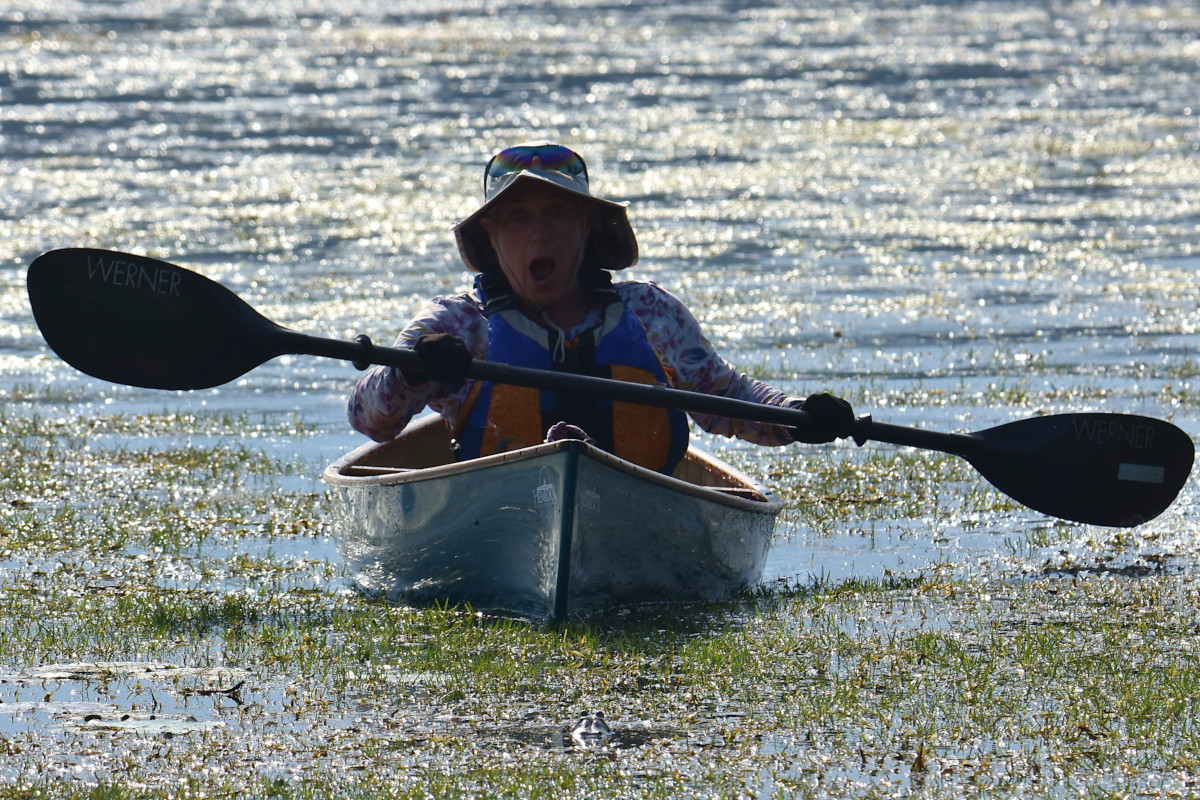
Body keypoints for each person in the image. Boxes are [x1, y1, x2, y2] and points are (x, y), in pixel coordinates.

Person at [347, 141, 855, 473]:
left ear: (587, 226)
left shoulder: (650, 313)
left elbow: (729, 398)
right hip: (495, 511)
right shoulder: (455, 324)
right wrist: (412, 371)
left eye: (556, 214)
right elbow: (369, 418)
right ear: (490, 234)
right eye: (518, 218)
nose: (539, 235)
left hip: (639, 510)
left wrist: (798, 416)